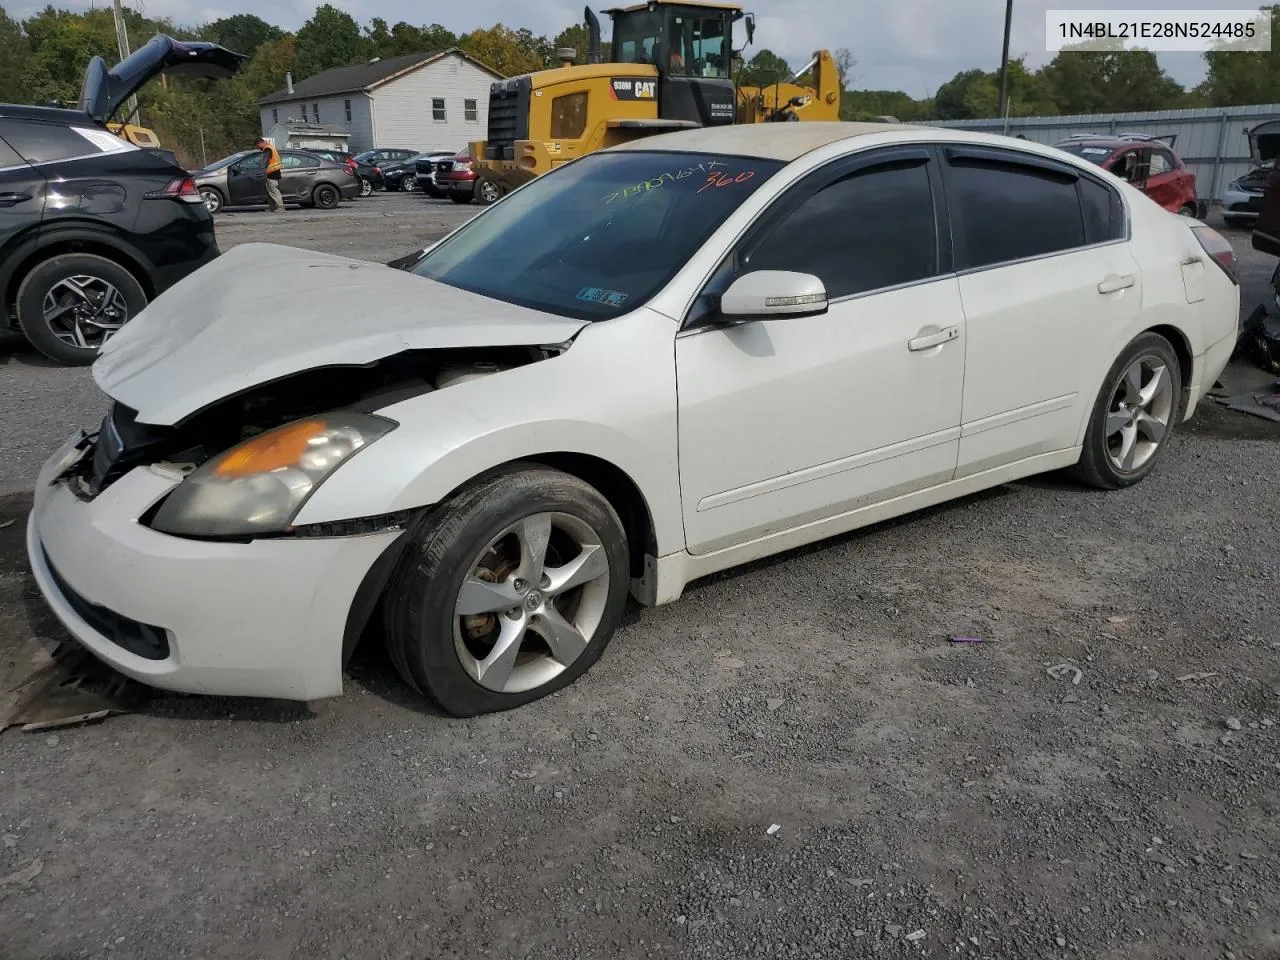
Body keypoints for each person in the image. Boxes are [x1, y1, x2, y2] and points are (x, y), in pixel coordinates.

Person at [255, 137, 284, 213]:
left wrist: (259, 168)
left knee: (274, 191)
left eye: (258, 146)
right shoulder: (271, 148)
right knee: (270, 191)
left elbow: (264, 161)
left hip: (272, 173)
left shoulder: (267, 149)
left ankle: (280, 207)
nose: (259, 148)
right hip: (274, 172)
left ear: (260, 143)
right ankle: (273, 208)